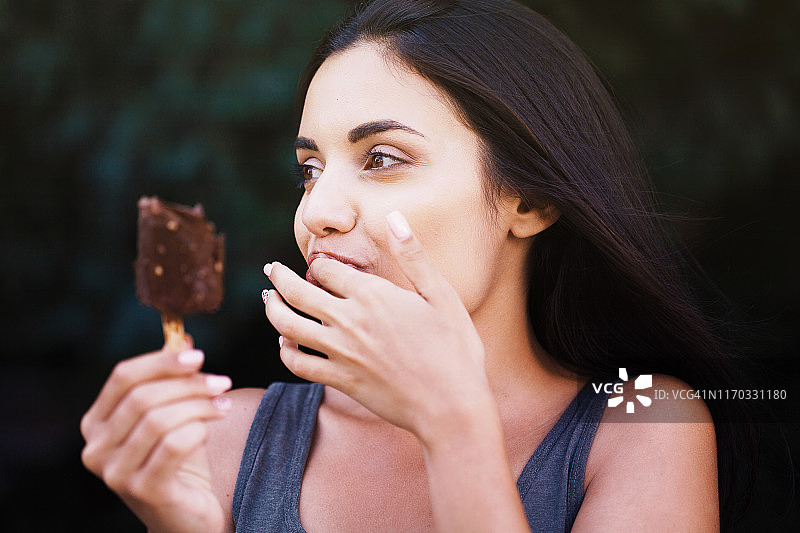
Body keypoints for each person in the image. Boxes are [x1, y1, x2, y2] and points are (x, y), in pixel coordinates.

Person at [80, 1, 755, 531]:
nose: (317, 212)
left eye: (381, 158)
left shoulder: (643, 423)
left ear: (529, 199)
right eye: (310, 169)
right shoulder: (222, 438)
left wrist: (453, 426)